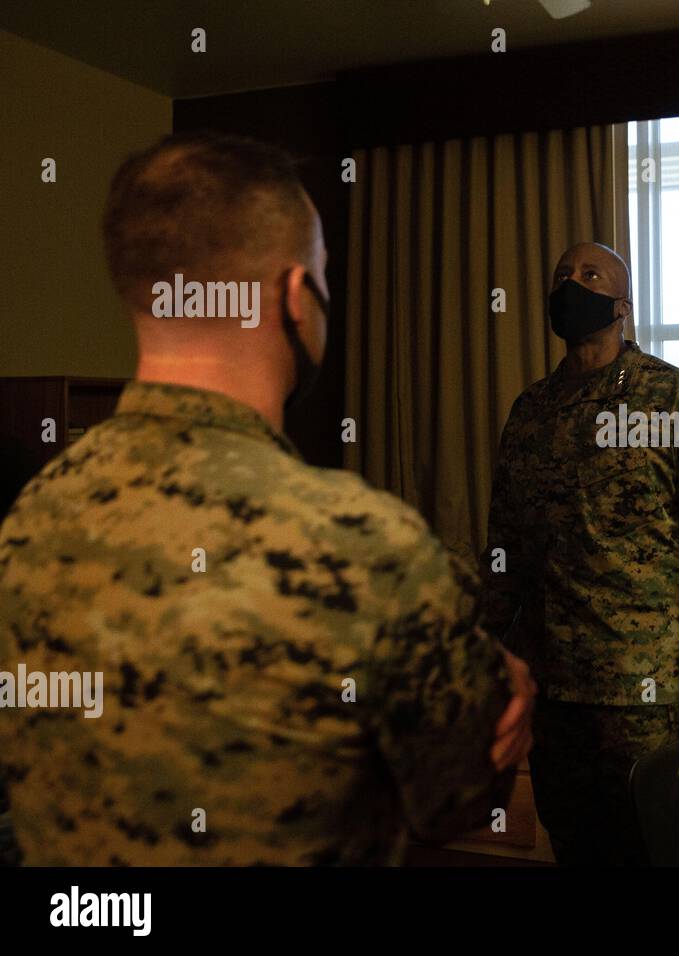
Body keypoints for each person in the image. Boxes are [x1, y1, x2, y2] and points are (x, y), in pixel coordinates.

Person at [0, 131, 535, 865]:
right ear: (295, 294)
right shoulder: (360, 540)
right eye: (321, 276)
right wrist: (503, 690)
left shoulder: (28, 518)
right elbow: (463, 797)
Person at [479, 241, 679, 864]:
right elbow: (504, 549)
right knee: (578, 846)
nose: (571, 284)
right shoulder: (531, 414)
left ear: (622, 307)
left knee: (663, 846)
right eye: (562, 275)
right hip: (557, 695)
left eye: (590, 275)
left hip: (652, 695)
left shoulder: (675, 402)